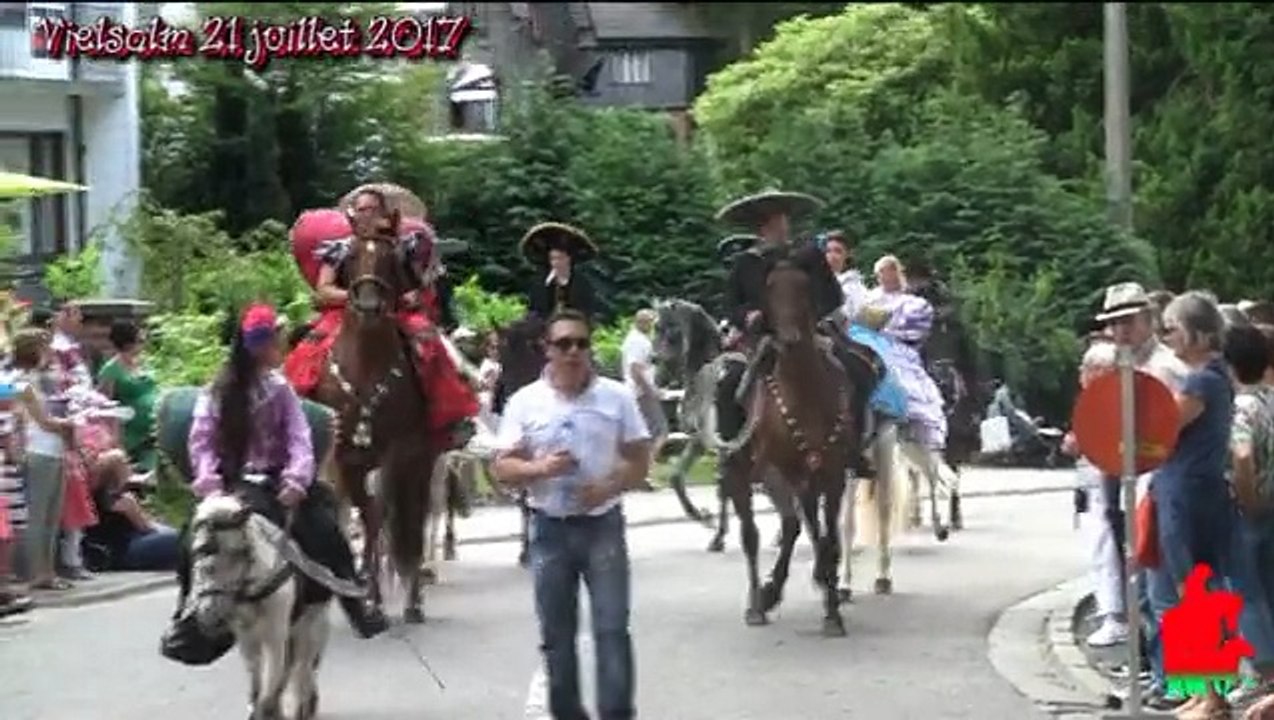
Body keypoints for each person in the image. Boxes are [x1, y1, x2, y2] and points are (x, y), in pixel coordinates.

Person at [180, 303, 388, 639]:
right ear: (260, 345)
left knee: (327, 531)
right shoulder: (217, 392)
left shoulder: (279, 389)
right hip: (232, 486)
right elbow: (202, 441)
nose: (280, 347)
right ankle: (187, 616)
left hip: (278, 482)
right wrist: (210, 486)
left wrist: (296, 479)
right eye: (276, 341)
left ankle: (355, 602)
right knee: (191, 540)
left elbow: (298, 437)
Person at [491, 309, 651, 720]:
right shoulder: (525, 402)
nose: (574, 352)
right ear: (547, 349)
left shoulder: (616, 397)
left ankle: (616, 713)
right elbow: (502, 468)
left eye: (582, 343)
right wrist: (540, 468)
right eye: (564, 344)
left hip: (603, 526)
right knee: (556, 635)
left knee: (611, 630)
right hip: (549, 529)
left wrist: (609, 486)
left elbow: (640, 460)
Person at [284, 188, 479, 448]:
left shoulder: (403, 247)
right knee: (309, 348)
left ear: (384, 213)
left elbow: (418, 285)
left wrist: (409, 296)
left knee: (429, 342)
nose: (366, 215)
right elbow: (324, 289)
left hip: (394, 310)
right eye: (361, 210)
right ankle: (292, 410)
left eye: (372, 209)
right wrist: (354, 296)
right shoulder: (339, 249)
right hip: (347, 310)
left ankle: (447, 417)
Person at [1156, 292, 1274, 717]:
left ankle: (1212, 696)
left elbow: (1159, 429)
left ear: (1199, 334)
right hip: (1199, 491)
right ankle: (1205, 690)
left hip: (1187, 493)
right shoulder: (1219, 377)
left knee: (1192, 594)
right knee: (1202, 593)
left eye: (1172, 328)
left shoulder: (1201, 382)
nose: (1166, 336)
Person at [715, 190, 878, 474]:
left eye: (783, 220)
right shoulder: (746, 262)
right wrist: (748, 315)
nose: (781, 226)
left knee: (860, 369)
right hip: (762, 337)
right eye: (774, 222)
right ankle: (734, 456)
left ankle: (854, 446)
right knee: (729, 383)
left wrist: (809, 314)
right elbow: (731, 305)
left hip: (811, 331)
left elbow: (833, 295)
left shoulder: (809, 256)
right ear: (761, 227)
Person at [10, 329, 76, 591]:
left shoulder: (40, 380)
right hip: (38, 450)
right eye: (45, 348)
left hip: (54, 451)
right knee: (37, 515)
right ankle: (35, 572)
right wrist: (70, 423)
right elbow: (44, 421)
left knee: (52, 515)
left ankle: (48, 571)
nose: (50, 353)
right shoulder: (20, 382)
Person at [96, 321, 158, 471]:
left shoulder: (145, 363)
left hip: (153, 429)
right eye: (140, 340)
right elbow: (104, 405)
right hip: (131, 435)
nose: (144, 344)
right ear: (128, 343)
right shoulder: (111, 370)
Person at [621, 309, 667, 486]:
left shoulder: (638, 339)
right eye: (651, 322)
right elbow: (635, 369)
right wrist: (651, 390)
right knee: (660, 432)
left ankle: (639, 474)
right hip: (641, 393)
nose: (654, 326)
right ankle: (643, 474)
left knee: (643, 435)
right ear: (643, 322)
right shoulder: (637, 341)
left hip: (639, 392)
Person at [524, 223, 599, 321]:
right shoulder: (541, 283)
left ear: (568, 259)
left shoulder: (581, 283)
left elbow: (587, 311)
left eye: (560, 258)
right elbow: (534, 310)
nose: (556, 262)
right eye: (553, 259)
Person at [819, 229, 870, 323]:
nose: (832, 256)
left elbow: (858, 317)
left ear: (847, 255)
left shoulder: (853, 287)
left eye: (838, 251)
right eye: (828, 251)